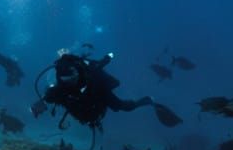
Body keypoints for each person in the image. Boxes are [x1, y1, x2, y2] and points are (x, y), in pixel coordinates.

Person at [30, 51, 181, 136]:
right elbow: (48, 97)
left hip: (97, 95)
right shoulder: (60, 88)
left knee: (122, 106)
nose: (70, 80)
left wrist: (108, 57)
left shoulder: (93, 78)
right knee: (55, 95)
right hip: (84, 112)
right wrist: (38, 105)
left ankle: (147, 100)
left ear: (78, 71)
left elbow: (99, 64)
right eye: (65, 78)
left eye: (73, 75)